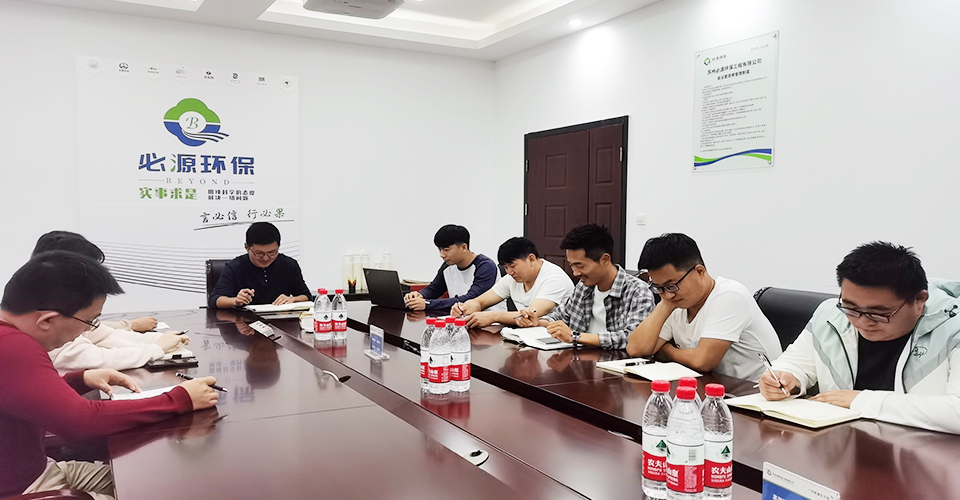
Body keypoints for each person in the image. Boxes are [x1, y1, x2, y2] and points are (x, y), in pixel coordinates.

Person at [0, 251, 219, 499]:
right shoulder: (13, 347)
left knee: (161, 481)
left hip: (41, 471)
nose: (87, 331)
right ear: (47, 320)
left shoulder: (10, 338)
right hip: (24, 490)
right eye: (90, 321)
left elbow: (22, 398)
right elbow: (80, 422)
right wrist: (179, 400)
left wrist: (79, 380)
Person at [760, 242, 960, 434]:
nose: (863, 322)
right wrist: (785, 379)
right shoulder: (831, 315)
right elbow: (796, 363)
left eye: (878, 313)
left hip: (924, 451)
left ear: (919, 300)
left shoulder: (953, 327)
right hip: (842, 443)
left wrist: (861, 401)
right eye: (851, 308)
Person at [626, 233, 782, 379]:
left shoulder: (729, 296)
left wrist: (667, 350)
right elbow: (636, 349)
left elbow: (702, 361)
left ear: (699, 271)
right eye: (658, 288)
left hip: (754, 391)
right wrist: (664, 304)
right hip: (710, 386)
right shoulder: (674, 301)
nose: (667, 295)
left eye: (671, 285)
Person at [31, 231, 188, 371]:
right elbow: (95, 358)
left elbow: (105, 335)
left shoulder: (59, 301)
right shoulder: (46, 318)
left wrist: (159, 340)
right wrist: (156, 348)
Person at [538, 224, 655, 349]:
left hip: (616, 359)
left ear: (604, 259)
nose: (575, 273)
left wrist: (575, 336)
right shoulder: (583, 287)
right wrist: (538, 322)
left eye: (580, 265)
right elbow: (560, 315)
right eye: (571, 265)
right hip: (579, 357)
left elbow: (633, 338)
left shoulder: (638, 292)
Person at [451, 237, 573, 327]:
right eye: (505, 267)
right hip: (528, 339)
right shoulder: (512, 279)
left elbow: (531, 316)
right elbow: (480, 302)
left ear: (531, 259)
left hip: (557, 342)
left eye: (512, 266)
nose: (509, 272)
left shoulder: (554, 278)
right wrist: (463, 308)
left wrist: (494, 316)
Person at [209, 222, 312, 308]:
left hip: (280, 321)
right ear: (247, 248)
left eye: (272, 252)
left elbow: (306, 296)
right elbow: (215, 300)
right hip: (244, 322)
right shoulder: (234, 267)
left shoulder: (289, 265)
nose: (266, 258)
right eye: (259, 253)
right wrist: (235, 300)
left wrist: (293, 299)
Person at [404, 224, 503, 312]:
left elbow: (471, 299)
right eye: (439, 249)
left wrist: (427, 304)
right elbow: (434, 289)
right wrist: (419, 296)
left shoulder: (485, 266)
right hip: (460, 319)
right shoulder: (448, 266)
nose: (442, 255)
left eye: (446, 250)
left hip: (490, 321)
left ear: (464, 247)